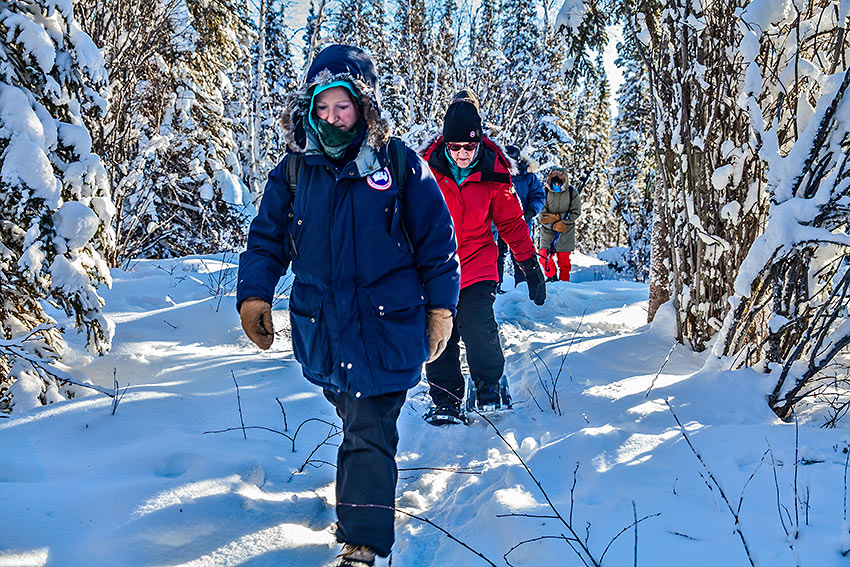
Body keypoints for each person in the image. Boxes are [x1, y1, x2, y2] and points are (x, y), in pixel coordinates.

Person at [236, 45, 460, 567]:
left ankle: (362, 543)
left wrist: (442, 309)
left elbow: (436, 241)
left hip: (387, 327)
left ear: (364, 107)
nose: (333, 118)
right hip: (326, 329)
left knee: (367, 426)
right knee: (354, 416)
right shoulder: (294, 171)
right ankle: (364, 496)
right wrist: (254, 296)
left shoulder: (400, 164)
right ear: (308, 109)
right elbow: (267, 238)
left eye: (343, 107)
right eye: (322, 108)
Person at [420, 90, 546, 425]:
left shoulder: (494, 171)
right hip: (437, 267)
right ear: (446, 143)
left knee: (477, 325)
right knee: (439, 329)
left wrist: (528, 264)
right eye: (455, 146)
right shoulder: (425, 172)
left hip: (477, 261)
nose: (462, 154)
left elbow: (511, 222)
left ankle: (488, 383)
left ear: (479, 142)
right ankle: (445, 397)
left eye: (469, 146)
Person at [495, 145, 545, 291]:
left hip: (520, 222)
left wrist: (531, 210)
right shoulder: (497, 173)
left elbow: (538, 195)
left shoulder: (529, 177)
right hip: (498, 223)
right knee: (497, 255)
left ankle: (521, 288)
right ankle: (495, 286)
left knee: (520, 255)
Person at [538, 167, 582, 282]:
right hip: (547, 232)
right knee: (544, 256)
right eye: (554, 182)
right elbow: (542, 213)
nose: (556, 184)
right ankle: (551, 277)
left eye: (559, 182)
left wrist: (564, 222)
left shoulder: (572, 192)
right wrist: (553, 223)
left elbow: (576, 211)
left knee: (564, 263)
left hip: (565, 232)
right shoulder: (545, 192)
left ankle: (564, 285)